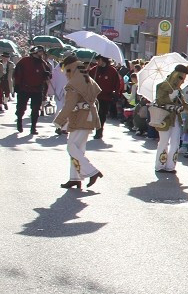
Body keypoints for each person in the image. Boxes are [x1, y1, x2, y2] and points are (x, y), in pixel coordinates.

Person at [53, 55, 104, 190]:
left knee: (71, 147)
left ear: (69, 68)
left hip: (80, 117)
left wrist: (59, 121)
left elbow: (69, 104)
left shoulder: (74, 83)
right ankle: (75, 178)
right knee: (78, 148)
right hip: (87, 116)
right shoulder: (86, 78)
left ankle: (92, 172)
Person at [154, 65, 188, 173]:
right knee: (163, 142)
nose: (182, 81)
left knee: (175, 142)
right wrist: (170, 97)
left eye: (184, 78)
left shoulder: (179, 90)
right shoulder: (162, 86)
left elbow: (185, 106)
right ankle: (160, 165)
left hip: (176, 118)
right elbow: (159, 101)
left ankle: (170, 166)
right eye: (181, 78)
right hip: (164, 118)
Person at [12, 45, 51, 135]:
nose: (41, 54)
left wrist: (47, 74)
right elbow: (17, 73)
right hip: (24, 88)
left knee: (35, 109)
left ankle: (33, 127)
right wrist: (17, 84)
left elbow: (48, 75)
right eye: (40, 52)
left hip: (37, 89)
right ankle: (19, 121)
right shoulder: (24, 61)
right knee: (21, 108)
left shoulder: (43, 63)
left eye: (42, 52)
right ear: (34, 52)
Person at [87, 55, 122, 140]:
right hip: (96, 96)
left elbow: (117, 84)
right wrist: (86, 73)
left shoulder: (112, 71)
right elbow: (87, 80)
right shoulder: (94, 70)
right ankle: (97, 129)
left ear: (103, 60)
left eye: (99, 60)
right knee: (96, 113)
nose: (97, 62)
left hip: (106, 97)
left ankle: (99, 130)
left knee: (102, 114)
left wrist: (116, 94)